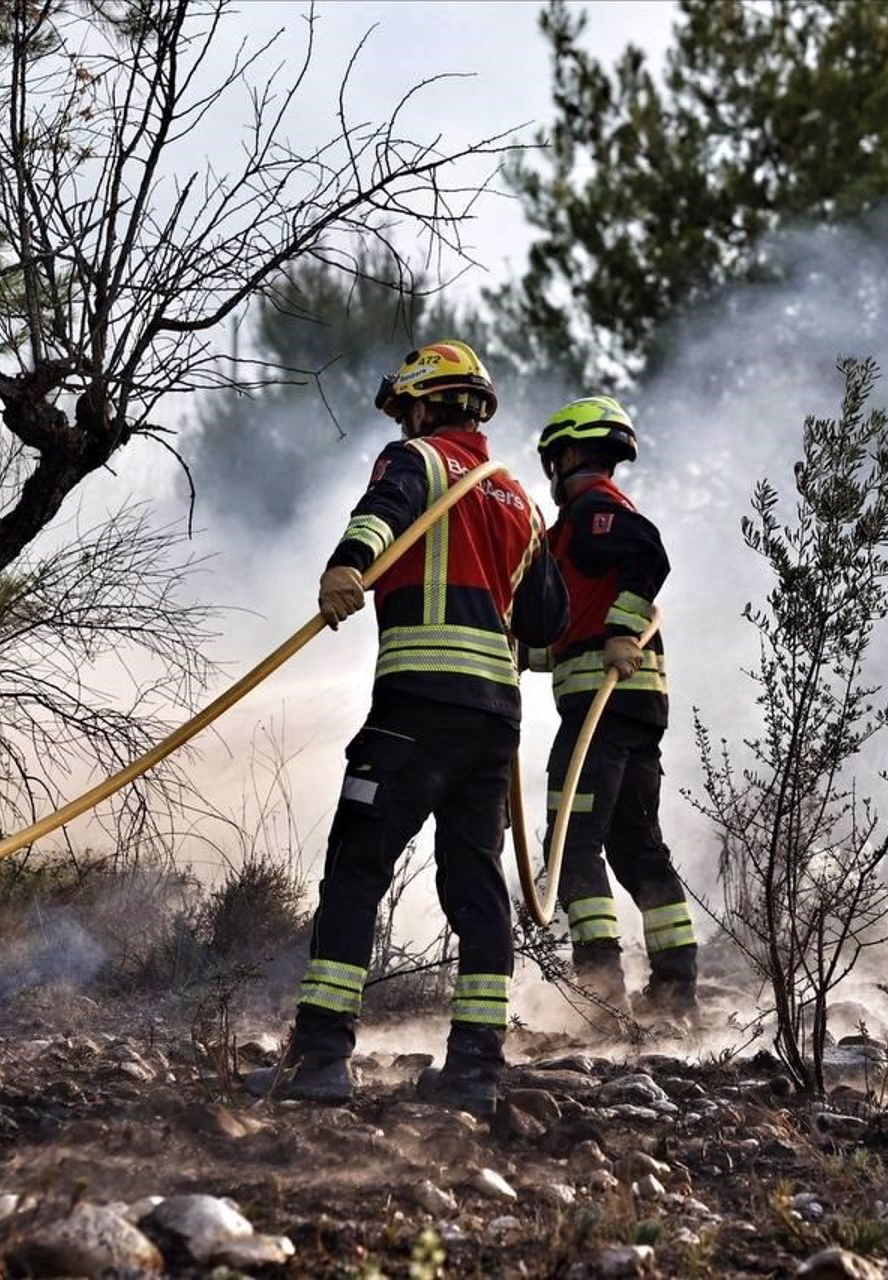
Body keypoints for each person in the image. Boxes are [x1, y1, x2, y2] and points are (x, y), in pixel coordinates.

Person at [259, 340, 567, 1117]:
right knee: (476, 889)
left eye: (407, 408)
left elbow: (382, 514)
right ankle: (473, 1074)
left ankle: (322, 1058)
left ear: (428, 403)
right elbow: (547, 621)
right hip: (493, 720)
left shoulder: (418, 461)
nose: (403, 422)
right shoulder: (519, 499)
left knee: (358, 867)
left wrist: (344, 568)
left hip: (416, 706)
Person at [526, 395, 697, 1016]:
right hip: (633, 707)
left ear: (567, 455)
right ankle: (677, 995)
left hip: (603, 710)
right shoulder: (577, 532)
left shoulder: (592, 510)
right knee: (636, 847)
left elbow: (649, 555)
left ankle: (601, 997)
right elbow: (578, 637)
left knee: (569, 847)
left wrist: (625, 630)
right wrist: (518, 653)